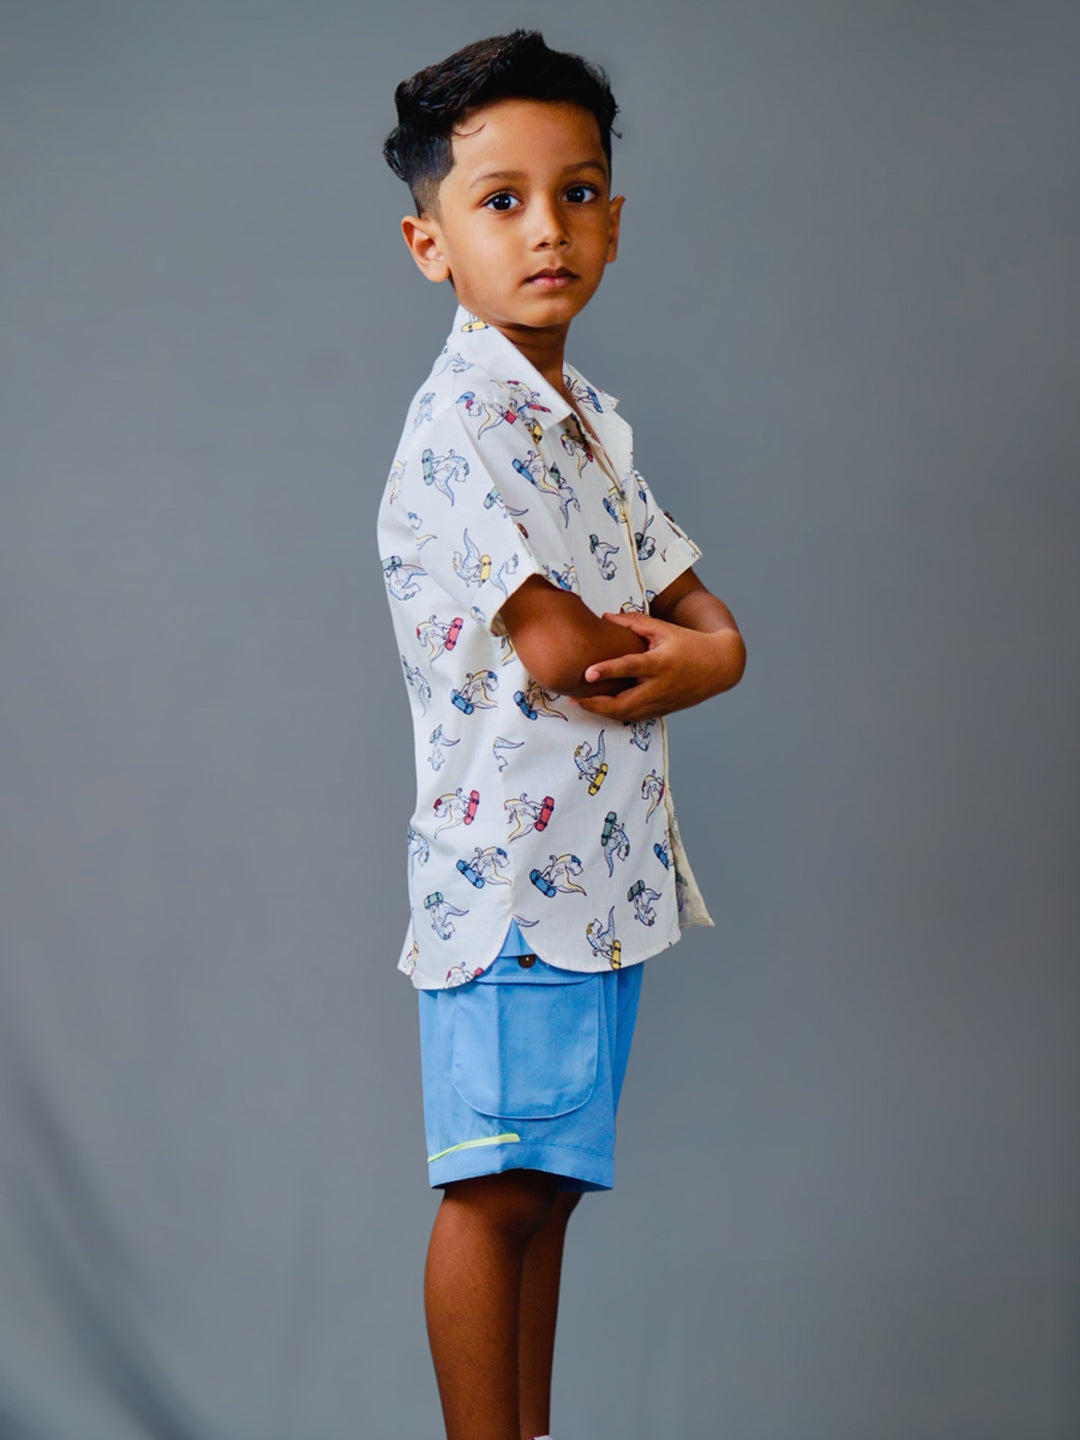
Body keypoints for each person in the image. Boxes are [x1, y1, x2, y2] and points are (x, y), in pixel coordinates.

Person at [378, 30, 745, 1440]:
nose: (548, 229)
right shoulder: (460, 425)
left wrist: (706, 652)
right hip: (510, 891)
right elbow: (571, 653)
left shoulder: (587, 420)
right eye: (503, 199)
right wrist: (694, 654)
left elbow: (706, 621)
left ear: (614, 216)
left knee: (546, 1192)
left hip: (602, 883)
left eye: (578, 193)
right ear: (431, 242)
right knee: (492, 1190)